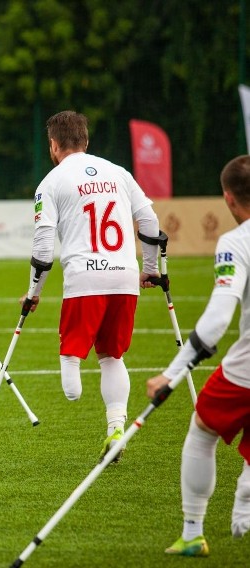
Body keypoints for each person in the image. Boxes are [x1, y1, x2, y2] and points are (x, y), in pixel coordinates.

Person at [24, 110, 160, 462]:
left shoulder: (51, 182)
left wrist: (33, 292)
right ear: (85, 140)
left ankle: (73, 383)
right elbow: (149, 219)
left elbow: (43, 242)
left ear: (53, 145)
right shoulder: (119, 172)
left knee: (71, 353)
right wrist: (149, 269)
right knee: (112, 356)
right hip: (124, 276)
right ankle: (116, 428)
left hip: (85, 278)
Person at [146, 155, 250, 557]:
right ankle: (242, 515)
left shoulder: (237, 241)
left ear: (228, 198)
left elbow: (216, 320)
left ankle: (192, 532)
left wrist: (172, 374)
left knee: (203, 427)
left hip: (245, 371)